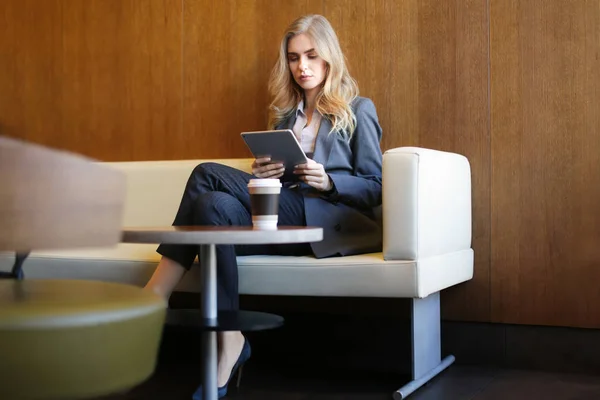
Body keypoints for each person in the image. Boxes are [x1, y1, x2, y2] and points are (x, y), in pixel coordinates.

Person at [144, 14, 384, 400]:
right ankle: (230, 340)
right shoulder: (285, 116)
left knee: (206, 173)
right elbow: (277, 186)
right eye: (293, 58)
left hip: (325, 221)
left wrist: (331, 181)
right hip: (281, 216)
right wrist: (263, 172)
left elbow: (376, 186)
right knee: (211, 206)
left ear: (328, 57)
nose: (302, 66)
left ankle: (156, 293)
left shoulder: (358, 108)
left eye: (310, 55)